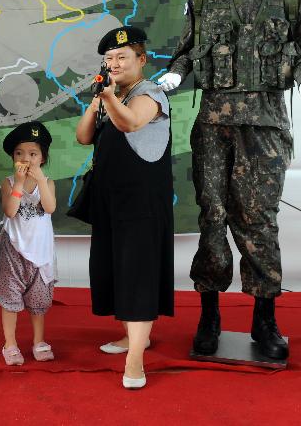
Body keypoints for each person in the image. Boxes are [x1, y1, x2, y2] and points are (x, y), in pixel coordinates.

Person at [157, 0, 301, 360]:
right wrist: (176, 73)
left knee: (259, 221)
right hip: (213, 125)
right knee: (212, 217)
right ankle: (209, 314)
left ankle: (264, 319)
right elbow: (188, 50)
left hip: (266, 124)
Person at [75, 26, 175, 389]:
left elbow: (131, 123)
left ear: (141, 59)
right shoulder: (112, 95)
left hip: (141, 203)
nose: (114, 63)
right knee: (115, 270)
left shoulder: (152, 95)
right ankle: (135, 336)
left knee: (137, 275)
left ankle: (136, 360)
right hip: (111, 200)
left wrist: (109, 98)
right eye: (109, 59)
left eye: (122, 57)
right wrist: (98, 99)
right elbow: (83, 136)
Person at [0, 121, 57, 366]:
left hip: (41, 253)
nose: (26, 159)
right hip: (13, 249)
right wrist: (19, 184)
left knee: (38, 301)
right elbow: (10, 211)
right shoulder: (9, 183)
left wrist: (40, 180)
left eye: (33, 154)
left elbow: (50, 207)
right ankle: (10, 344)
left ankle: (39, 341)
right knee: (10, 298)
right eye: (19, 154)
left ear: (42, 158)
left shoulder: (48, 183)